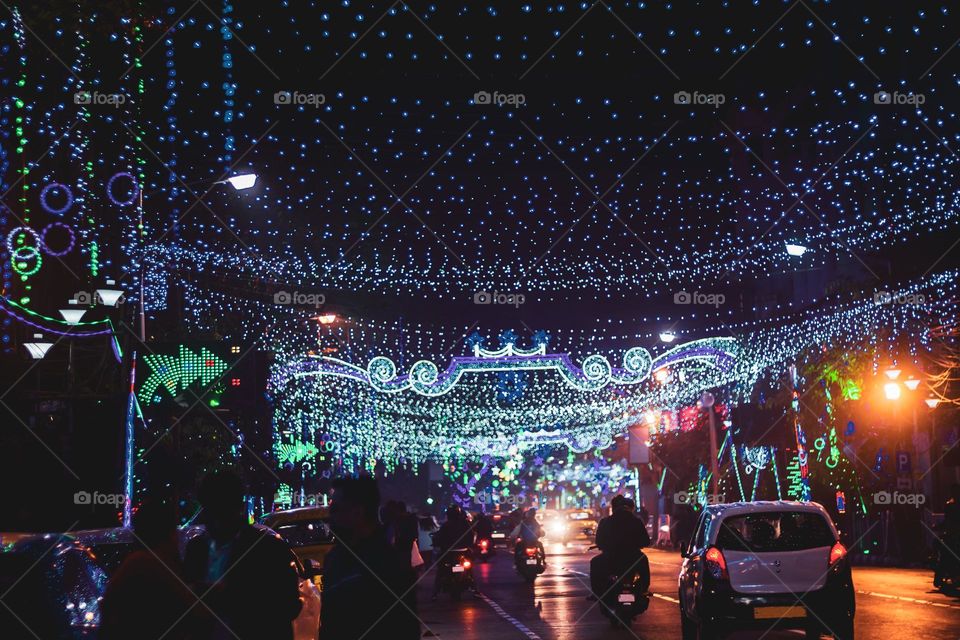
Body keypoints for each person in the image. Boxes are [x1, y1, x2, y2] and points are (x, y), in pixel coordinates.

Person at [183, 469, 302, 640]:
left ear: (236, 506)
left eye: (221, 509)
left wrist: (228, 596)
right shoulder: (196, 549)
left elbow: (288, 606)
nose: (214, 519)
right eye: (211, 508)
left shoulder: (268, 550)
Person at [320, 476, 420, 640]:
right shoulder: (334, 559)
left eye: (336, 509)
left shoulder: (389, 565)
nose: (330, 517)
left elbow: (405, 628)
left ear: (358, 512)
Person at [99, 498, 199, 640]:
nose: (178, 536)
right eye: (174, 530)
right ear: (169, 533)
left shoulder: (135, 564)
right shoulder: (149, 565)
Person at [590, 495, 651, 600]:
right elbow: (646, 541)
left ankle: (596, 593)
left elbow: (599, 541)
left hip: (610, 558)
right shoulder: (636, 521)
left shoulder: (605, 522)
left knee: (595, 563)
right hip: (633, 557)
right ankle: (644, 589)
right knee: (644, 561)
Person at [431, 505, 476, 599]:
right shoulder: (464, 524)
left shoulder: (447, 525)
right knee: (469, 569)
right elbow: (472, 536)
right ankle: (476, 590)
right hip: (458, 551)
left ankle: (435, 593)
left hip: (453, 552)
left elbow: (439, 537)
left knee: (441, 570)